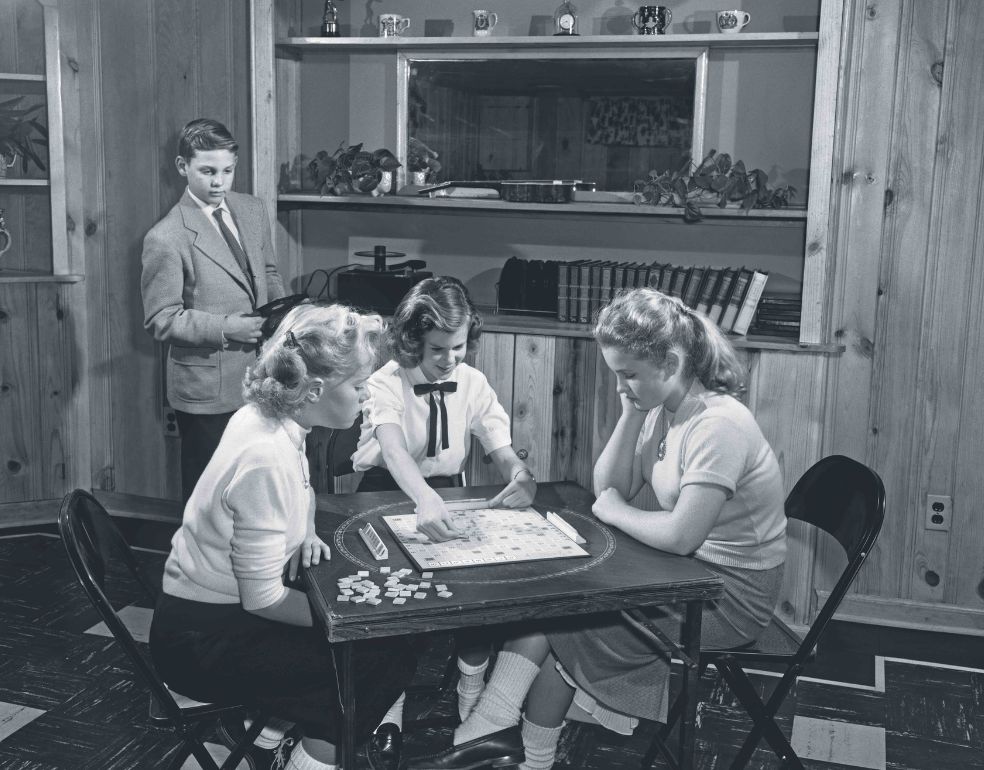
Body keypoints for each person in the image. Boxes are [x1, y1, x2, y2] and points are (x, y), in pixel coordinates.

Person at [405, 287, 787, 770]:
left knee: (577, 617)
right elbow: (611, 486)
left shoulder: (718, 425)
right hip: (689, 572)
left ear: (670, 363)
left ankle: (508, 740)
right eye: (616, 375)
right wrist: (630, 413)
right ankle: (498, 730)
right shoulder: (663, 406)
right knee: (560, 596)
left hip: (730, 595)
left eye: (629, 375)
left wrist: (615, 511)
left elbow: (679, 535)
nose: (621, 386)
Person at [149, 303, 416, 770]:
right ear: (315, 390)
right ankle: (303, 756)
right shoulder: (265, 455)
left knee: (386, 641)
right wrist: (349, 618)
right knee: (370, 658)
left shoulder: (273, 417)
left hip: (212, 616)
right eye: (358, 386)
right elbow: (263, 600)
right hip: (201, 642)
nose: (367, 396)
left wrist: (305, 530)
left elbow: (302, 489)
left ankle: (272, 736)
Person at [349, 276, 537, 729]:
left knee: (475, 588)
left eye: (458, 347)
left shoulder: (472, 382)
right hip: (384, 491)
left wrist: (521, 474)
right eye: (437, 349)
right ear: (412, 341)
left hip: (450, 491)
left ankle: (471, 688)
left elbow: (500, 446)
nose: (450, 360)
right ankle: (388, 706)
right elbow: (393, 450)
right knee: (389, 599)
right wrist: (423, 498)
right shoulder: (384, 382)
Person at [141, 117, 286, 503]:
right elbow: (161, 319)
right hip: (207, 391)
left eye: (227, 171)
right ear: (182, 166)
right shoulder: (166, 237)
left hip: (260, 378)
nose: (219, 182)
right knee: (209, 496)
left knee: (255, 488)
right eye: (207, 171)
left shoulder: (251, 210)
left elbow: (269, 272)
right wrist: (226, 328)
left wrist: (282, 317)